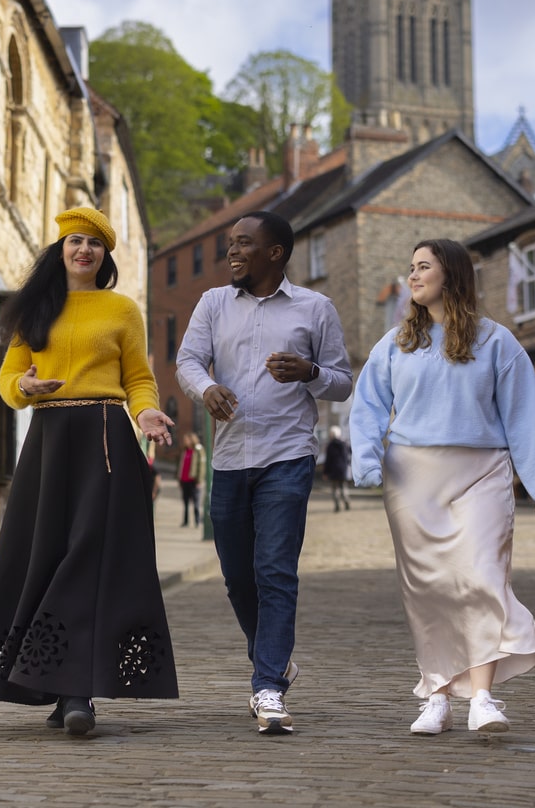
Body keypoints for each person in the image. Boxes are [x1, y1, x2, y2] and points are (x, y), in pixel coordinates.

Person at [0, 207, 178, 736]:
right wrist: (23, 389)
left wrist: (145, 413)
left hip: (105, 441)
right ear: (61, 250)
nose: (84, 250)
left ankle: (78, 693)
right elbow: (8, 378)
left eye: (95, 244)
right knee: (41, 559)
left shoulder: (122, 310)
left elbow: (138, 378)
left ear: (105, 255)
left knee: (88, 558)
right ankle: (55, 685)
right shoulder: (35, 308)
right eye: (75, 241)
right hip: (49, 443)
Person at [348, 237, 535, 737]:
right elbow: (367, 407)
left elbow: (524, 416)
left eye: (424, 267)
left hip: (482, 473)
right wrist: (366, 462)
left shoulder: (497, 342)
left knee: (482, 578)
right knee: (432, 590)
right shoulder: (396, 343)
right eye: (411, 267)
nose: (413, 276)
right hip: (412, 481)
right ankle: (437, 694)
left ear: (452, 275)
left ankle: (483, 698)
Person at [176, 211, 353, 735]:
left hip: (287, 456)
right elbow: (188, 361)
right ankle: (273, 660)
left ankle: (267, 688)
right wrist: (204, 389)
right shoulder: (212, 304)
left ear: (275, 253)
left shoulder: (315, 308)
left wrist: (311, 372)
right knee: (237, 578)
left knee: (275, 571)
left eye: (244, 245)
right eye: (230, 244)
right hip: (229, 459)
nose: (232, 253)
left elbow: (343, 382)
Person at [177, 432, 205, 527]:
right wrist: (179, 479)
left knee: (196, 503)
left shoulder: (198, 451)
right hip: (184, 480)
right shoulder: (184, 451)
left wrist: (199, 480)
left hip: (194, 481)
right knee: (185, 503)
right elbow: (181, 466)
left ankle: (197, 521)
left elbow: (201, 466)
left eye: (186, 440)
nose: (185, 442)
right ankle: (185, 521)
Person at [323, 426, 351, 512]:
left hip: (333, 470)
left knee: (335, 488)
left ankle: (337, 505)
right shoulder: (344, 444)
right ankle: (346, 502)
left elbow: (328, 460)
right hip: (343, 469)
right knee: (343, 487)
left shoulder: (330, 446)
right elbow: (349, 455)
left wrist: (325, 472)